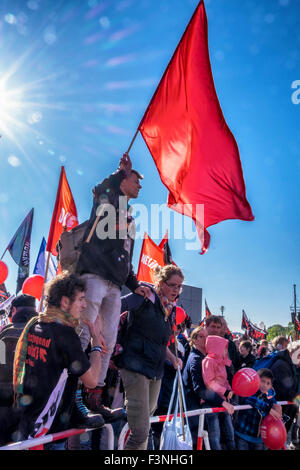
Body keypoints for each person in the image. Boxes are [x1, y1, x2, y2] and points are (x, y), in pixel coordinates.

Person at [76, 152, 151, 420]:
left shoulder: (129, 218)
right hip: (94, 277)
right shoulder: (106, 201)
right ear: (123, 181)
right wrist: (120, 171)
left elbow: (126, 258)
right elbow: (100, 188)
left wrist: (134, 283)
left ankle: (93, 397)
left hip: (115, 286)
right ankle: (69, 397)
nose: (140, 185)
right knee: (84, 335)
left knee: (107, 340)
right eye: (136, 180)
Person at [13, 272, 105, 446]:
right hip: (48, 430)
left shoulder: (35, 324)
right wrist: (96, 342)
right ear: (65, 302)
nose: (85, 305)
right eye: (81, 299)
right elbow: (92, 381)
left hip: (26, 423)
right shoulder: (66, 335)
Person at [115, 265, 184, 450]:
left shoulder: (170, 310)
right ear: (160, 283)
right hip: (134, 366)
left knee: (144, 425)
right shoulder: (144, 296)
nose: (176, 290)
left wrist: (172, 358)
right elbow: (114, 306)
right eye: (173, 285)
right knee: (141, 432)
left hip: (156, 371)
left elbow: (161, 344)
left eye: (180, 286)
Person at [183, 326, 234, 449]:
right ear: (194, 340)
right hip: (194, 409)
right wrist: (222, 401)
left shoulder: (205, 357)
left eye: (207, 336)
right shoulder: (196, 359)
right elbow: (200, 389)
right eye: (202, 336)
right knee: (200, 442)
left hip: (203, 407)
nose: (206, 339)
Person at [0, 294, 37, 445]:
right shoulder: (43, 332)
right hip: (34, 407)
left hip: (4, 404)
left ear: (14, 310)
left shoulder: (6, 332)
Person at [202, 335, 236, 450]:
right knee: (215, 435)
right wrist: (225, 391)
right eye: (224, 347)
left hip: (223, 402)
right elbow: (209, 382)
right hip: (211, 402)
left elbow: (224, 380)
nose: (226, 350)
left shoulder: (222, 362)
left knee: (230, 432)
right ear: (216, 347)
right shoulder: (208, 361)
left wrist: (229, 389)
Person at [234, 368, 282, 450]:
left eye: (268, 383)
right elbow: (251, 400)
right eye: (262, 381)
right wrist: (268, 409)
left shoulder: (269, 397)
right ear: (256, 380)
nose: (265, 385)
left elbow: (274, 406)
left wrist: (277, 408)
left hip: (258, 439)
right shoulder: (249, 390)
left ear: (271, 386)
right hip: (243, 434)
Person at [270, 340, 300, 432]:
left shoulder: (293, 366)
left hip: (287, 410)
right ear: (291, 353)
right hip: (278, 411)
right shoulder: (282, 366)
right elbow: (287, 392)